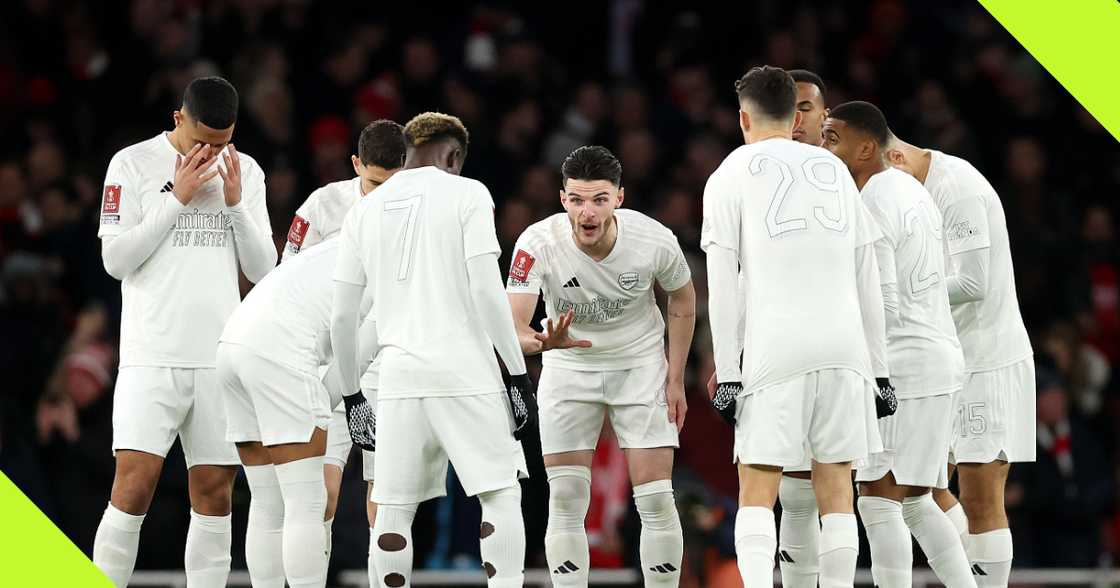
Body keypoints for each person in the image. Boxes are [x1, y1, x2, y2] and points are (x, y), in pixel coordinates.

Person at [702, 66, 891, 588]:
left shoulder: (729, 173)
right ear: (797, 115)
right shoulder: (836, 171)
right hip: (845, 348)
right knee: (836, 491)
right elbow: (866, 275)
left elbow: (724, 284)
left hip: (774, 348)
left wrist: (730, 370)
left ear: (743, 117)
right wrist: (880, 371)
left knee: (758, 486)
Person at [331, 112, 534, 588]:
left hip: (398, 375)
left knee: (393, 509)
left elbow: (343, 316)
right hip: (465, 372)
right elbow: (487, 292)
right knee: (499, 494)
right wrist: (516, 375)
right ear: (455, 156)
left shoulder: (366, 209)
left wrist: (353, 394)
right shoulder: (468, 193)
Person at [93, 76, 276, 587]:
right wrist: (177, 196)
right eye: (202, 142)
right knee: (132, 489)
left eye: (221, 143)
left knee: (215, 495)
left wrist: (237, 204)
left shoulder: (247, 172)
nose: (211, 153)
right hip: (151, 354)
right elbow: (115, 259)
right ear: (179, 118)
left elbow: (265, 269)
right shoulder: (131, 164)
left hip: (219, 356)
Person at [506, 145, 696, 587]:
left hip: (640, 364)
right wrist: (540, 342)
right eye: (576, 200)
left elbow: (684, 298)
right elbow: (511, 325)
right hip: (569, 366)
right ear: (562, 199)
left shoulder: (654, 240)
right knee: (567, 496)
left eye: (599, 199)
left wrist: (675, 376)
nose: (587, 212)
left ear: (619, 198)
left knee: (656, 499)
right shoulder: (536, 243)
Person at [823, 100, 976, 588]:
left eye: (833, 138)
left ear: (866, 146)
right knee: (917, 498)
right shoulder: (910, 189)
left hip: (906, 362)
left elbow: (883, 302)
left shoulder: (874, 202)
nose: (824, 147)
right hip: (938, 357)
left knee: (877, 497)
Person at [887, 121, 1036, 587]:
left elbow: (973, 282)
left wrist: (896, 293)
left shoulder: (959, 188)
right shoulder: (913, 186)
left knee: (981, 497)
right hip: (947, 361)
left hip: (987, 361)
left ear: (893, 159)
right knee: (921, 489)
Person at [282, 119, 405, 586]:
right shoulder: (322, 205)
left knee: (386, 502)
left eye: (390, 184)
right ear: (356, 166)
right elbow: (285, 278)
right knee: (319, 497)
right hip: (328, 362)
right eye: (372, 183)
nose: (379, 195)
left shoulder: (417, 212)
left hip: (389, 362)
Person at [216, 238, 377, 588]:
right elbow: (359, 352)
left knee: (268, 502)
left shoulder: (349, 239)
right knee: (308, 501)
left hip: (232, 345)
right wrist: (327, 406)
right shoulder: (402, 263)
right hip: (281, 348)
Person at [778, 67, 830, 587]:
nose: (796, 119)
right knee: (793, 484)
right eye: (788, 108)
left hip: (846, 353)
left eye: (807, 108)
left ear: (825, 116)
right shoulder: (750, 177)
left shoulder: (851, 179)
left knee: (884, 494)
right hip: (782, 350)